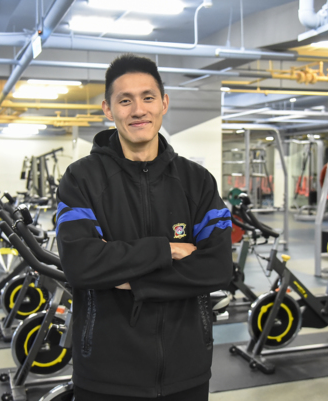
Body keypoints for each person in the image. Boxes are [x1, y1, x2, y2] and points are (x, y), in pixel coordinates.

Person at [56, 53, 232, 401]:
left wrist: (131, 280)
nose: (138, 110)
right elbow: (80, 264)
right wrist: (166, 249)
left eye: (147, 98)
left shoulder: (197, 181)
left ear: (163, 103)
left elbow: (217, 266)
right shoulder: (81, 179)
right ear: (108, 109)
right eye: (125, 101)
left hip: (187, 371)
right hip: (106, 375)